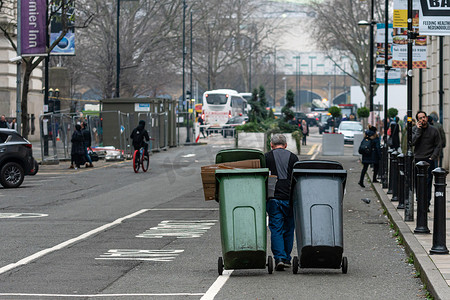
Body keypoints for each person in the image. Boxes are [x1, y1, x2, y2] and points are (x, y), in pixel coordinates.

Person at [265, 134, 299, 271]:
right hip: (290, 198)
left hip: (273, 197)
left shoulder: (266, 157)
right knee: (289, 228)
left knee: (276, 228)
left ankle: (278, 257)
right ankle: (286, 258)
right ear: (285, 145)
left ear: (271, 145)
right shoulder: (293, 157)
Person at [412, 111, 441, 210]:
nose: (422, 119)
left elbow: (438, 145)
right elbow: (412, 142)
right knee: (418, 182)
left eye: (424, 117)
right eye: (420, 118)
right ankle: (419, 200)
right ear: (417, 120)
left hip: (429, 160)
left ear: (427, 118)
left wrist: (433, 157)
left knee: (428, 182)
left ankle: (426, 203)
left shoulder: (434, 130)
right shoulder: (414, 130)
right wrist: (418, 130)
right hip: (418, 159)